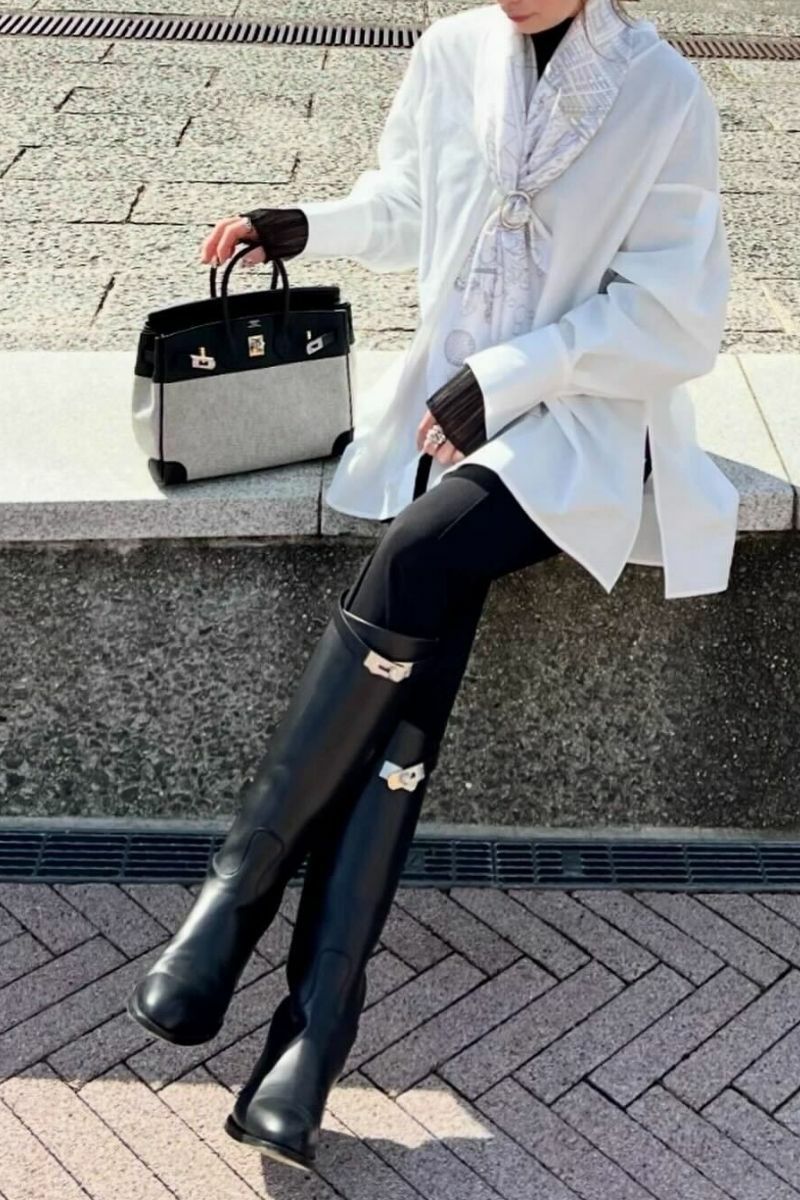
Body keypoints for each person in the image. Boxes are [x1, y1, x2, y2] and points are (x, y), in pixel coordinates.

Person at [127, 0, 734, 1172]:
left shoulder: (662, 91)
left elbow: (674, 315)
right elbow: (411, 205)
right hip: (443, 422)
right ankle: (309, 1042)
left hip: (578, 426)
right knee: (412, 680)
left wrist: (511, 374)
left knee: (414, 556)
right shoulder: (452, 49)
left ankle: (234, 900)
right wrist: (308, 223)